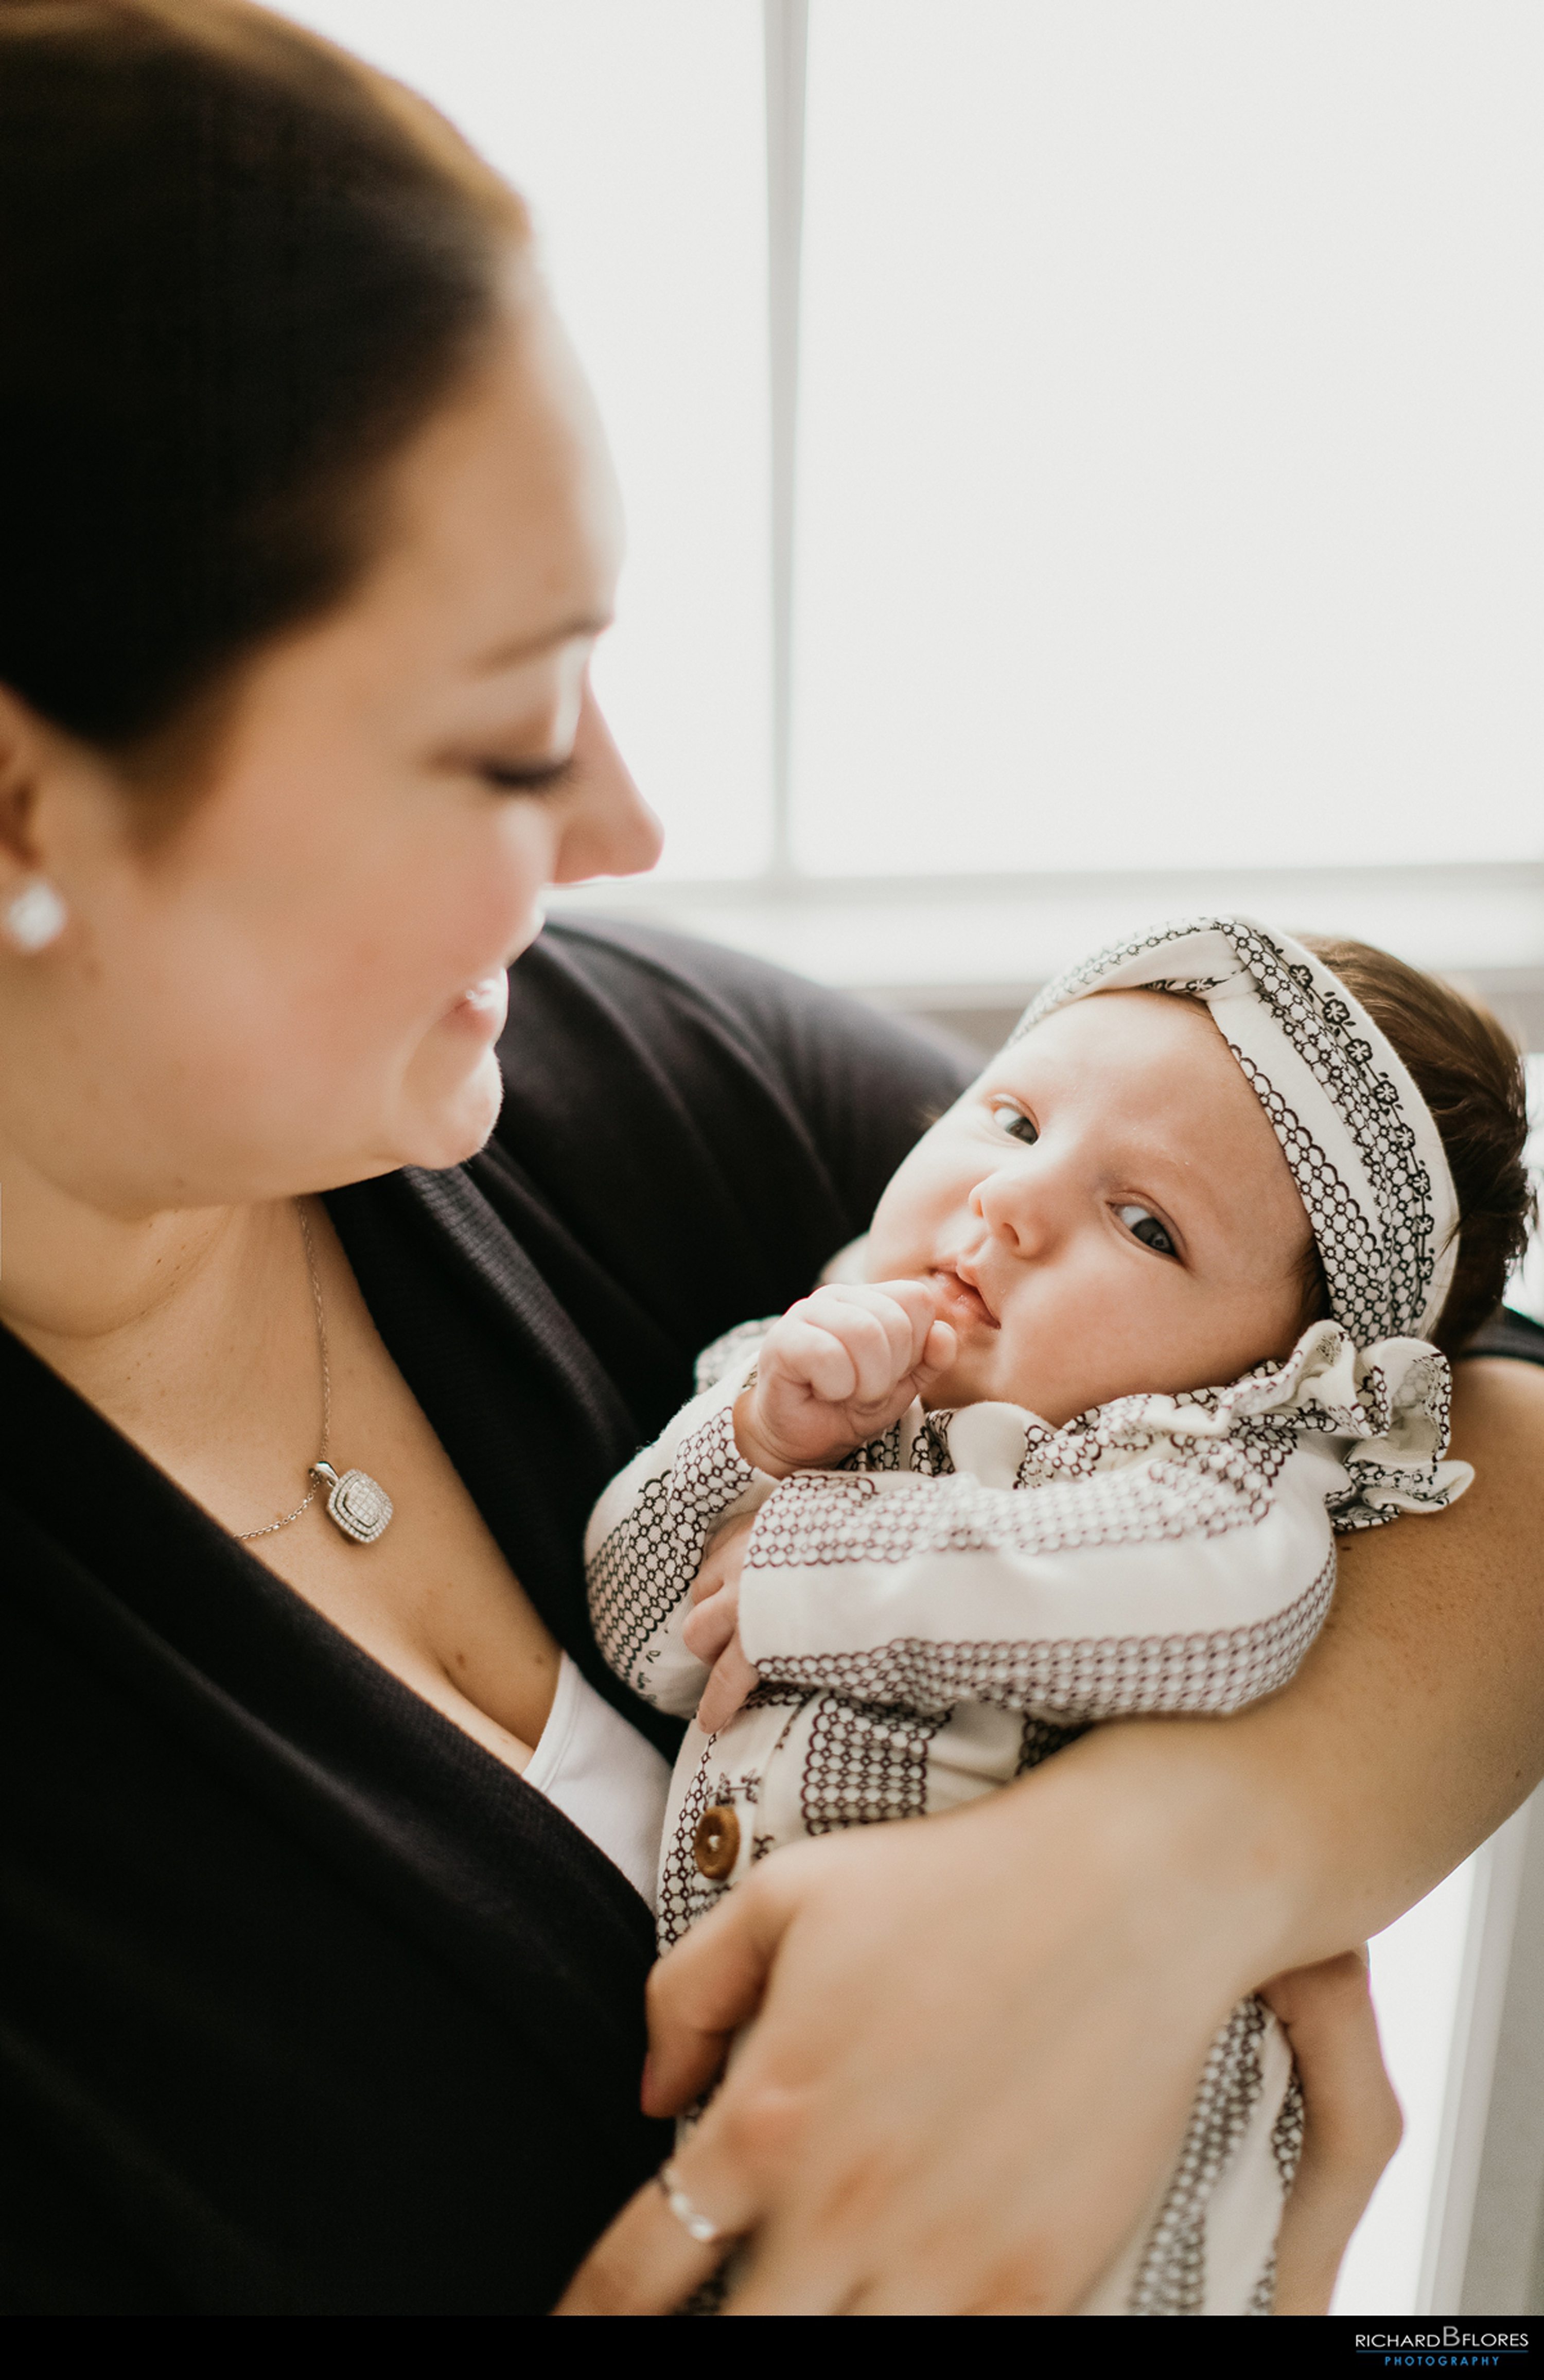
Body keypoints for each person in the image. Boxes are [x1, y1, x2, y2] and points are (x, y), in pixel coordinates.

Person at [5, 0, 1544, 2320]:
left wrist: (1135, 1894)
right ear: (27, 810)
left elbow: (1481, 1405)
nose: (628, 826)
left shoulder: (586, 1085)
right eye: (515, 727)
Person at [584, 918, 1528, 2313]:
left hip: (1117, 2210)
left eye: (1146, 1225)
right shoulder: (807, 1366)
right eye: (1015, 1115)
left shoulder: (1195, 1470)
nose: (1016, 1201)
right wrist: (749, 1438)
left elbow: (1223, 1603)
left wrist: (811, 1561)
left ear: (1278, 1370)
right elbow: (647, 1623)